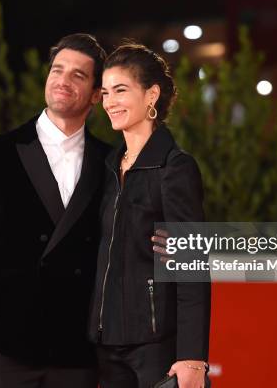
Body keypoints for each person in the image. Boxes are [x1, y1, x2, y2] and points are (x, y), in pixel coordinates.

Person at [0, 33, 111, 388]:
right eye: (57, 70)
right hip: (5, 351)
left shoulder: (110, 163)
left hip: (76, 356)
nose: (63, 80)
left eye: (78, 75)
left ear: (98, 94)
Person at [88, 44, 211, 388]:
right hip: (105, 345)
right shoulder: (107, 167)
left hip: (155, 347)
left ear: (152, 94)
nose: (110, 102)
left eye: (121, 90)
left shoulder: (175, 167)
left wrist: (192, 357)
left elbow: (192, 265)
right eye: (106, 92)